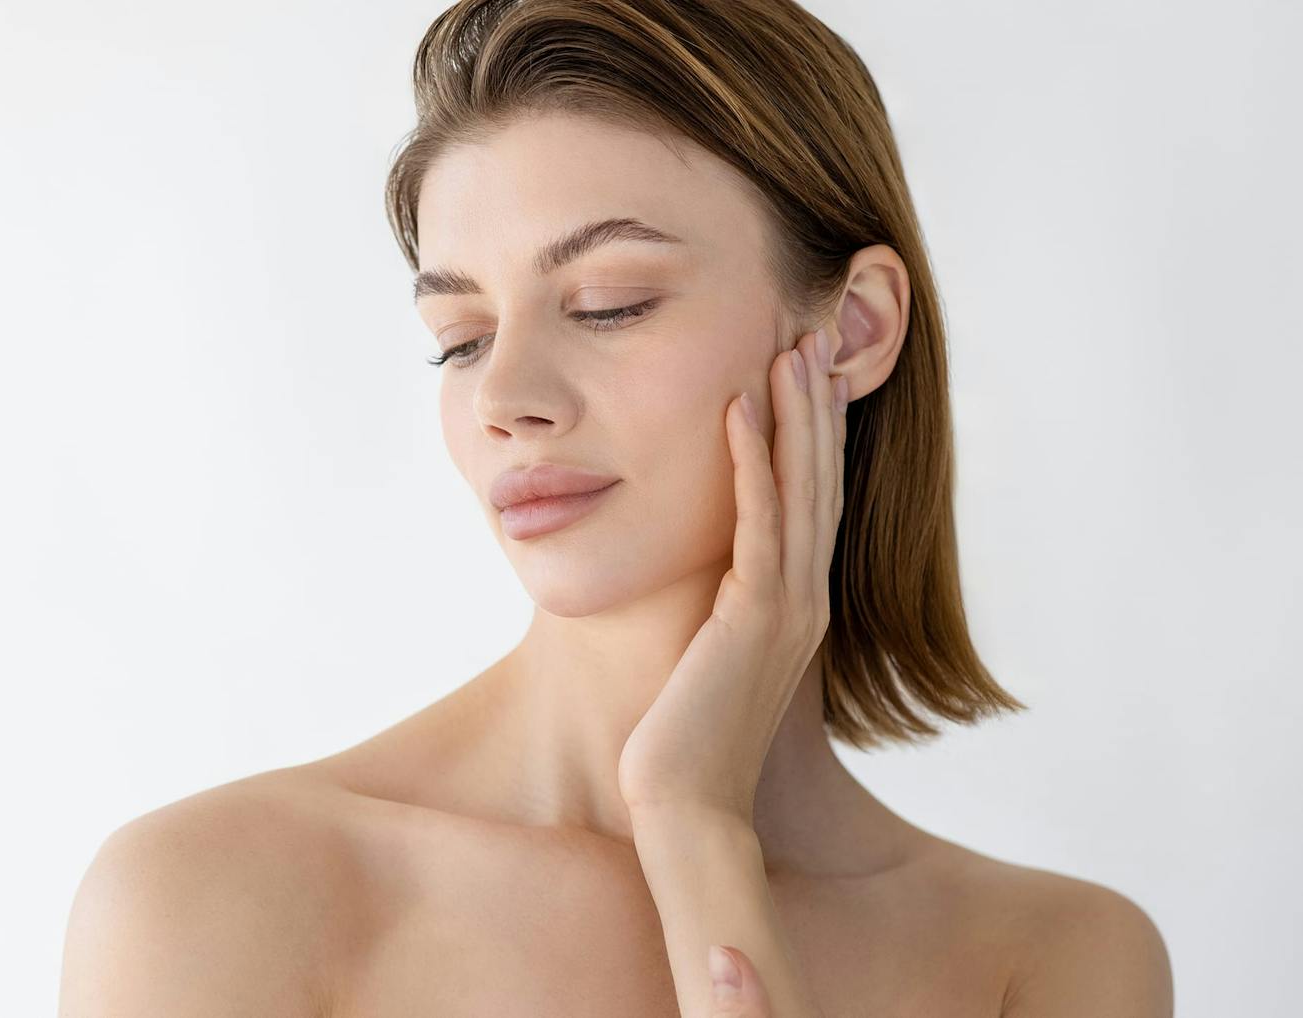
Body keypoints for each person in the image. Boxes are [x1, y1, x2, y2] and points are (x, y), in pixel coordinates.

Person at [58, 1, 1173, 1015]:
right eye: (461, 339)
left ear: (854, 328)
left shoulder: (1052, 961)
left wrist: (696, 827)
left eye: (607, 304)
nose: (504, 399)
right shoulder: (216, 898)